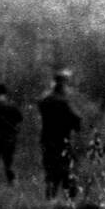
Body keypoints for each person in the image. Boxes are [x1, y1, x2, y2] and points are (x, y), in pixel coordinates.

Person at [38, 69, 81, 199]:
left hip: (47, 139)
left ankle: (50, 199)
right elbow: (76, 119)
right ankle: (70, 201)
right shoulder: (63, 101)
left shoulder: (44, 100)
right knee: (67, 169)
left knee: (50, 170)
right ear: (63, 84)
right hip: (62, 139)